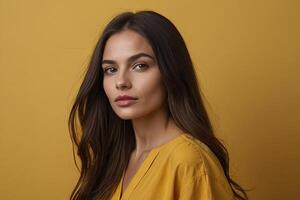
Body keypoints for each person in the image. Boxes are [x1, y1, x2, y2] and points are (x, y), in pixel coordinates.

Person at [68, 10, 249, 200]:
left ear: (170, 71)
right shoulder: (114, 160)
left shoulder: (189, 162)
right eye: (111, 69)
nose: (121, 82)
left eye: (140, 66)